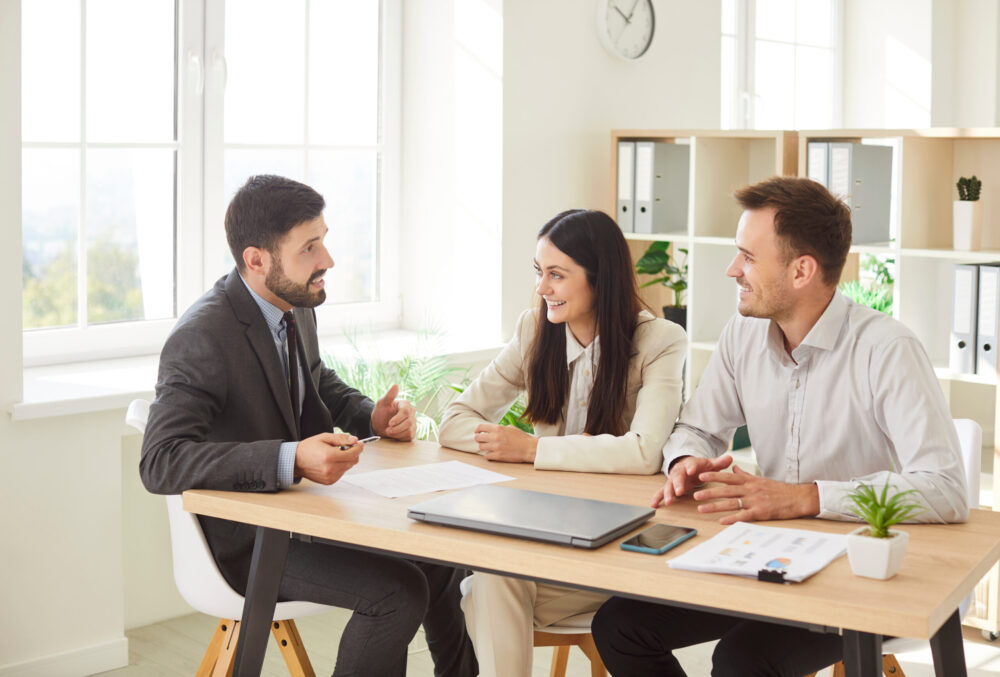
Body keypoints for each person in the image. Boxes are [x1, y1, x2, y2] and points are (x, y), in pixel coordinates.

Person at [590, 176, 970, 677]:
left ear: (802, 271)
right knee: (619, 626)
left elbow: (944, 489)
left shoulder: (887, 350)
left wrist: (805, 498)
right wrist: (686, 462)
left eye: (748, 256)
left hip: (855, 566)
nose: (732, 270)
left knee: (743, 661)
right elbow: (697, 428)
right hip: (765, 552)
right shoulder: (742, 333)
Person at [140, 175, 477, 677]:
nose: (328, 261)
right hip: (248, 541)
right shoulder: (203, 336)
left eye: (324, 239)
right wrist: (290, 458)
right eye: (310, 247)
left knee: (438, 556)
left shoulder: (293, 303)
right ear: (257, 259)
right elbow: (160, 461)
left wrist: (371, 416)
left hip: (304, 516)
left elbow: (314, 382)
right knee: (397, 592)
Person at [438, 208, 687, 677]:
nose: (541, 288)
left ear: (601, 278)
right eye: (539, 272)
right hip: (546, 536)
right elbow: (455, 419)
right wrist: (502, 443)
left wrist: (533, 450)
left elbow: (643, 452)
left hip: (622, 542)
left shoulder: (659, 341)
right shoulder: (535, 331)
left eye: (556, 275)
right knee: (488, 579)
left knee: (480, 592)